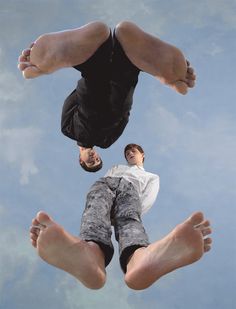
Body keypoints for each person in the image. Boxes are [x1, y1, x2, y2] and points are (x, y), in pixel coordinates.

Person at [18, 21, 196, 172]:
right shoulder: (106, 142)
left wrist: (83, 90)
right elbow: (123, 120)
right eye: (97, 160)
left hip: (92, 98)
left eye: (90, 161)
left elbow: (70, 103)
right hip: (118, 104)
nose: (94, 157)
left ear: (81, 159)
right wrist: (124, 108)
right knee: (125, 76)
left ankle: (85, 53)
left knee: (95, 73)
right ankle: (131, 53)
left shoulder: (68, 130)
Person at [30, 143, 212, 290]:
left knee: (130, 221)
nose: (130, 154)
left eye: (134, 151)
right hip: (105, 184)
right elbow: (101, 195)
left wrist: (131, 211)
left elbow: (147, 199)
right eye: (127, 153)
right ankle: (91, 253)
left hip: (131, 192)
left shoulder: (151, 176)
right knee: (95, 212)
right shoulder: (117, 167)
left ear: (143, 155)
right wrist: (109, 212)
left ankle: (138, 259)